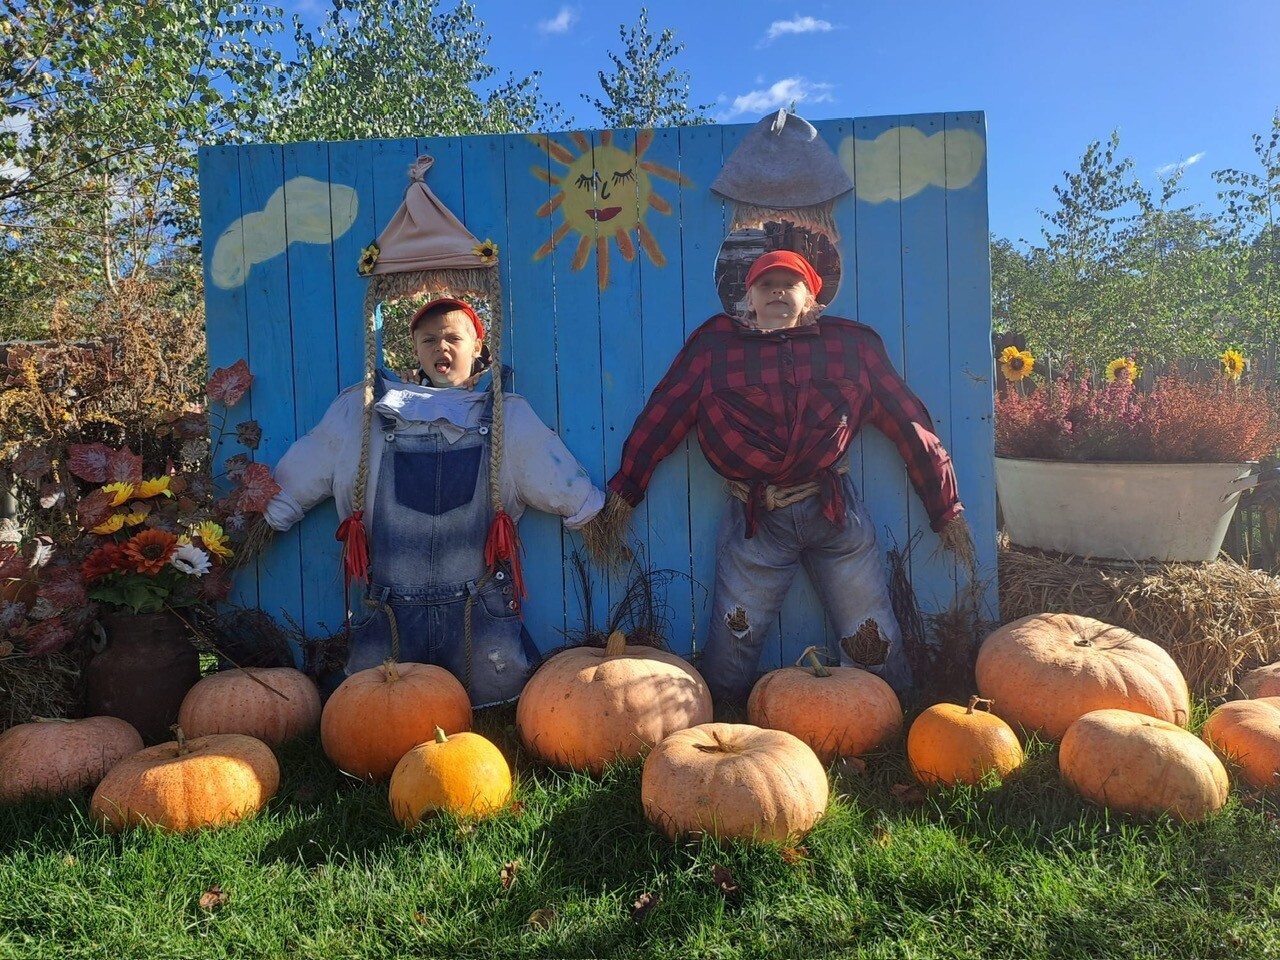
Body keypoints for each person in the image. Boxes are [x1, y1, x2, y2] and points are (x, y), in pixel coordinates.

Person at [600, 250, 970, 710]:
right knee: (734, 635)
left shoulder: (853, 347)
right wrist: (626, 490)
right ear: (749, 300)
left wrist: (945, 507)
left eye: (790, 283)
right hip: (757, 518)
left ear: (811, 298)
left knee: (870, 627)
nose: (777, 290)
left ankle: (892, 711)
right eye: (765, 283)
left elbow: (908, 421)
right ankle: (722, 715)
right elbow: (664, 415)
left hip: (834, 511)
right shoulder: (715, 349)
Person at [263, 298, 605, 706]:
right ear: (415, 349)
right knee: (376, 713)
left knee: (488, 710)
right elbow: (310, 462)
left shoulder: (506, 418)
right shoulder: (362, 413)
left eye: (452, 338)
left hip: (480, 621)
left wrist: (589, 511)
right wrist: (269, 514)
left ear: (477, 346)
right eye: (428, 339)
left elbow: (555, 475)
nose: (440, 346)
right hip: (389, 617)